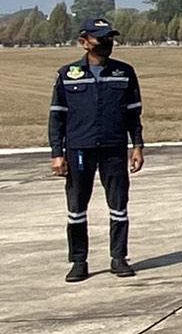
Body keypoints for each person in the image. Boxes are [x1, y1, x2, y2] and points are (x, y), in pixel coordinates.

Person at [48, 18, 145, 282]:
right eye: (101, 39)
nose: (107, 44)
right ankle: (78, 261)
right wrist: (57, 153)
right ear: (84, 42)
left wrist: (137, 145)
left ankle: (119, 257)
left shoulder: (124, 72)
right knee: (77, 207)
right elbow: (57, 117)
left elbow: (133, 114)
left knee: (118, 206)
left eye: (110, 38)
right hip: (79, 148)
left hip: (113, 147)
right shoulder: (67, 75)